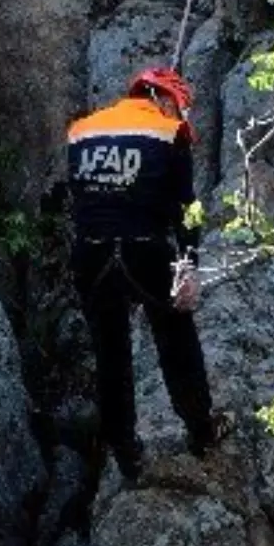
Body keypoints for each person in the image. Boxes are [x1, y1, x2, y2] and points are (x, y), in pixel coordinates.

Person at [63, 64, 228, 481]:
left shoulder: (81, 130)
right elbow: (186, 211)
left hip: (91, 254)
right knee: (177, 343)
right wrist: (189, 263)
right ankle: (201, 430)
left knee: (110, 355)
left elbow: (82, 197)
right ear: (165, 98)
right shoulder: (171, 134)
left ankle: (126, 453)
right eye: (179, 107)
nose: (180, 116)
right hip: (145, 252)